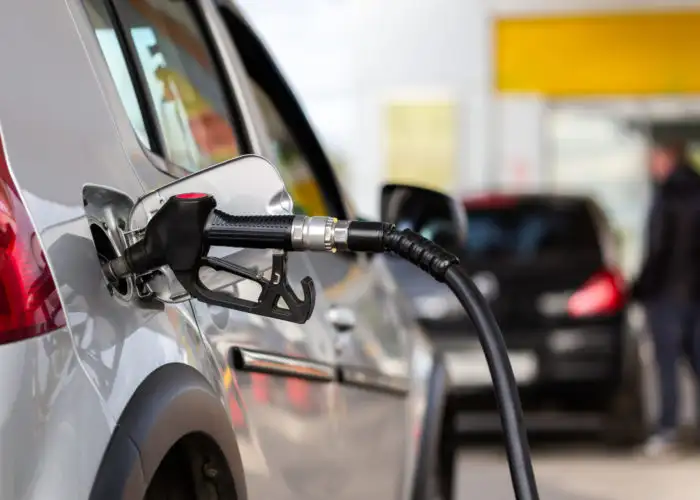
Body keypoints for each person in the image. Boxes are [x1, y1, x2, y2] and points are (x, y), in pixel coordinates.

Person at [631, 140, 700, 456]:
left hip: (666, 295)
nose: (649, 166)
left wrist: (640, 288)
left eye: (652, 159)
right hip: (695, 293)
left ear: (666, 158)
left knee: (667, 364)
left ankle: (667, 429)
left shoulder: (666, 196)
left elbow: (658, 249)